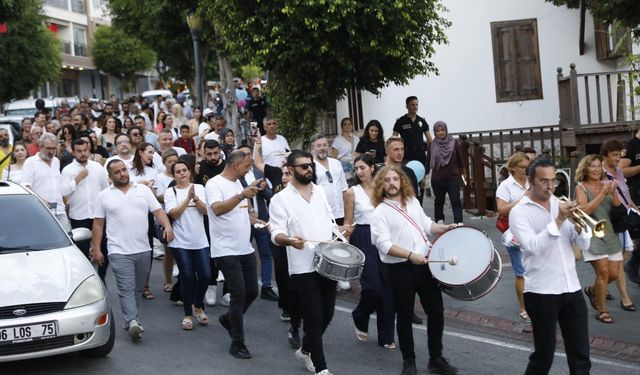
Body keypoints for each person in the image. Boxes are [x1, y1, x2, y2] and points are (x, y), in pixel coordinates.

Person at [370, 165, 457, 375]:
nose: (391, 183)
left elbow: (426, 225)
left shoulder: (412, 202)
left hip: (424, 266)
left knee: (436, 311)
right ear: (381, 185)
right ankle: (409, 361)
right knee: (405, 315)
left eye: (395, 179)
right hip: (400, 270)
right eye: (387, 180)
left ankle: (436, 358)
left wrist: (444, 228)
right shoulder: (380, 212)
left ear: (402, 182)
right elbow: (384, 245)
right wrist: (410, 255)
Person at [510, 158, 592, 375]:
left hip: (571, 288)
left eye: (553, 181)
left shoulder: (559, 203)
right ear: (530, 180)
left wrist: (580, 227)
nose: (550, 186)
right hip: (541, 292)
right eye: (543, 181)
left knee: (581, 355)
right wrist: (557, 221)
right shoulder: (519, 212)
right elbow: (532, 246)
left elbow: (584, 245)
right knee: (543, 357)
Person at [269, 150, 338, 375]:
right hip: (302, 267)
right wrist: (288, 240)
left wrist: (341, 231)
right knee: (314, 315)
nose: (309, 169)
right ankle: (321, 368)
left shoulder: (318, 191)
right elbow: (275, 231)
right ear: (290, 169)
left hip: (327, 262)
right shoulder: (280, 199)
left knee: (327, 313)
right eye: (303, 166)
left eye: (310, 165)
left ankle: (306, 349)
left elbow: (329, 221)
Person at [91, 159, 174, 342]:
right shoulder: (104, 196)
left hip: (143, 249)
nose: (122, 174)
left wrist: (167, 227)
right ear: (110, 177)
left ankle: (131, 319)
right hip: (118, 250)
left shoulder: (143, 190)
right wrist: (96, 248)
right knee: (126, 287)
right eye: (117, 172)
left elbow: (158, 211)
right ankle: (133, 320)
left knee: (137, 288)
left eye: (124, 170)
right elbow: (98, 224)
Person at [206, 150, 265, 359]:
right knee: (238, 294)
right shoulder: (214, 184)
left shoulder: (239, 183)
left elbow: (243, 212)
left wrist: (257, 222)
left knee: (251, 291)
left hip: (244, 248)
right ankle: (237, 343)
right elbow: (218, 209)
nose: (249, 170)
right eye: (247, 166)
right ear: (236, 165)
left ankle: (228, 319)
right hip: (225, 250)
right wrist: (241, 195)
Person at [343, 154, 395, 349]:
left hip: (384, 237)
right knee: (373, 286)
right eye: (356, 168)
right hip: (363, 237)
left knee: (388, 289)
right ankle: (360, 315)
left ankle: (386, 336)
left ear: (372, 168)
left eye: (362, 167)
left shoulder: (383, 189)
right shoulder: (351, 192)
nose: (359, 171)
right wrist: (345, 248)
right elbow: (348, 223)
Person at [575, 154, 625, 324]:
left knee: (613, 274)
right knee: (603, 273)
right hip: (592, 234)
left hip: (609, 233)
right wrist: (602, 195)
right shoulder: (581, 188)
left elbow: (618, 211)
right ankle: (603, 310)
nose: (596, 169)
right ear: (585, 169)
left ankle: (592, 290)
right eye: (592, 166)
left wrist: (615, 193)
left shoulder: (607, 185)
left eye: (598, 166)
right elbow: (585, 211)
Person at [165, 160, 212, 330]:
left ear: (190, 172)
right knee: (187, 276)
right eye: (178, 171)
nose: (182, 173)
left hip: (200, 240)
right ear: (174, 175)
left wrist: (196, 198)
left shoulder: (199, 188)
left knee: (206, 275)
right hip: (180, 241)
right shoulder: (171, 192)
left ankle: (197, 305)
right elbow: (174, 214)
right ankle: (188, 315)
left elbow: (207, 211)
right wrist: (187, 199)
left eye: (184, 170)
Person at [236, 144, 279, 302]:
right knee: (243, 254)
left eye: (249, 154)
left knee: (266, 254)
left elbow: (270, 196)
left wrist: (264, 189)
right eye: (244, 154)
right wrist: (249, 188)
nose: (248, 157)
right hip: (244, 221)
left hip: (261, 219)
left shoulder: (257, 172)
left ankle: (266, 286)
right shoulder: (235, 175)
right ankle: (244, 285)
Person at [600, 139, 638, 312]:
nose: (618, 158)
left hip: (621, 217)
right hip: (607, 219)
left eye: (620, 155)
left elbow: (624, 191)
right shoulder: (598, 171)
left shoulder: (618, 171)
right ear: (605, 155)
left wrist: (633, 207)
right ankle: (619, 296)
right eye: (614, 155)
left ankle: (602, 288)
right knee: (616, 260)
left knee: (618, 259)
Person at [310, 134, 350, 290]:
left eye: (325, 144)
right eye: (319, 145)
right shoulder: (311, 166)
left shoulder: (336, 164)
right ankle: (325, 276)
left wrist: (348, 214)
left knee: (340, 244)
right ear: (312, 148)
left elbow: (344, 189)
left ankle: (340, 276)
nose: (322, 148)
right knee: (325, 245)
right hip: (322, 213)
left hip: (339, 211)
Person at [496, 152, 531, 322]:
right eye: (523, 167)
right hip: (514, 233)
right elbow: (501, 210)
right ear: (513, 168)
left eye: (528, 167)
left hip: (534, 229)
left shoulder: (533, 181)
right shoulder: (506, 185)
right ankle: (524, 308)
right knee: (521, 272)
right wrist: (522, 200)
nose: (527, 170)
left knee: (536, 269)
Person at [61, 139, 109, 258]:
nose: (83, 153)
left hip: (97, 214)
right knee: (82, 251)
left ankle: (101, 276)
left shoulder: (97, 167)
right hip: (78, 215)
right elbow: (63, 191)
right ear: (73, 152)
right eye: (79, 151)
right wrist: (77, 179)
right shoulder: (67, 170)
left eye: (85, 150)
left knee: (103, 248)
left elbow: (105, 189)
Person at [21, 133, 72, 231]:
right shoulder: (30, 162)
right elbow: (26, 186)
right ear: (40, 147)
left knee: (67, 239)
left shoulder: (56, 161)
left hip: (60, 210)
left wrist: (66, 200)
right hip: (41, 211)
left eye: (54, 148)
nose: (51, 152)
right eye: (48, 148)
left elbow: (58, 184)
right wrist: (41, 201)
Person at [426, 121, 464, 224]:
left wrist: (463, 177)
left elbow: (460, 160)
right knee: (439, 202)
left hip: (452, 178)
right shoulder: (431, 145)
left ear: (446, 130)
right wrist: (425, 177)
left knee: (455, 200)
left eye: (442, 130)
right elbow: (428, 161)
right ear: (434, 132)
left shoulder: (454, 142)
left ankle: (459, 222)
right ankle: (439, 221)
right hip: (437, 179)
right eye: (437, 131)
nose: (440, 132)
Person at [620, 129, 640, 285]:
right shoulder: (633, 145)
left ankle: (632, 265)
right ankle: (632, 265)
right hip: (636, 196)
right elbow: (622, 171)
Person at [393, 96, 432, 165]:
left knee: (422, 175)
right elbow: (393, 139)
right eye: (413, 105)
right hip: (407, 156)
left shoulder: (422, 121)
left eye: (417, 105)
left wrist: (430, 154)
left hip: (421, 156)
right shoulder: (400, 121)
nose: (415, 107)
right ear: (407, 106)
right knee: (407, 175)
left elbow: (430, 140)